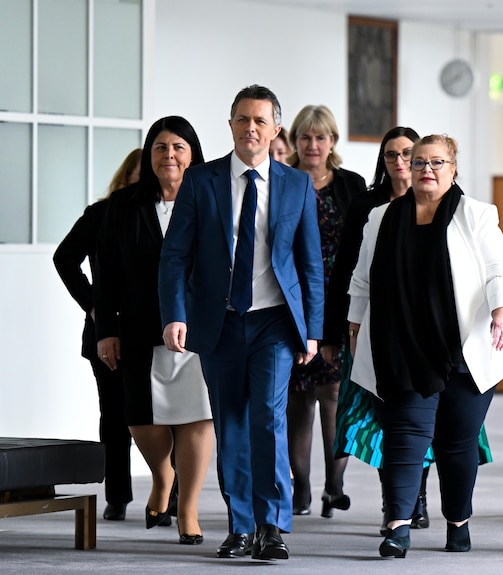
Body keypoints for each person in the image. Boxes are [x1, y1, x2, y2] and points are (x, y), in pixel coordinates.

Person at [159, 84, 323, 562]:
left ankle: (273, 526)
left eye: (260, 121)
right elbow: (174, 257)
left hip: (274, 322)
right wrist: (175, 315)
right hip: (220, 322)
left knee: (268, 419)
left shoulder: (295, 185)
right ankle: (241, 527)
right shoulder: (201, 180)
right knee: (229, 423)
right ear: (230, 126)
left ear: (275, 129)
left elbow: (310, 263)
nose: (250, 128)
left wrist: (312, 328)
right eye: (242, 120)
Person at [347, 134, 503, 558]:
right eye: (419, 162)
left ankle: (458, 520)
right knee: (404, 435)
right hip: (402, 346)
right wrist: (355, 325)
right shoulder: (381, 218)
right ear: (407, 169)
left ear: (453, 169)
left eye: (437, 162)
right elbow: (362, 277)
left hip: (462, 349)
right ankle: (397, 526)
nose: (427, 169)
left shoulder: (476, 215)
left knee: (456, 442)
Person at [94, 117, 213, 546]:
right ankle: (163, 476)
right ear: (149, 155)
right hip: (139, 328)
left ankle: (188, 509)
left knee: (198, 417)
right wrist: (106, 329)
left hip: (200, 327)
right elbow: (104, 274)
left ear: (193, 154)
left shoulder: (211, 200)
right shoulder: (123, 205)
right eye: (160, 147)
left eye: (178, 147)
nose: (169, 156)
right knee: (140, 418)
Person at [283, 104, 366, 518]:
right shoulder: (282, 181)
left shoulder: (352, 185)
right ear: (294, 141)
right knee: (297, 400)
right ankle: (301, 489)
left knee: (334, 395)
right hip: (293, 305)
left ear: (332, 142)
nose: (312, 145)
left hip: (337, 305)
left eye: (321, 137)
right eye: (305, 137)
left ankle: (335, 487)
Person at [52, 147, 142, 521]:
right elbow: (64, 257)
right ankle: (117, 496)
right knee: (115, 415)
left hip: (155, 333)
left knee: (168, 418)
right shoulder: (102, 213)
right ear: (127, 176)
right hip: (107, 333)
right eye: (141, 173)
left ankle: (169, 496)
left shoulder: (174, 213)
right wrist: (92, 304)